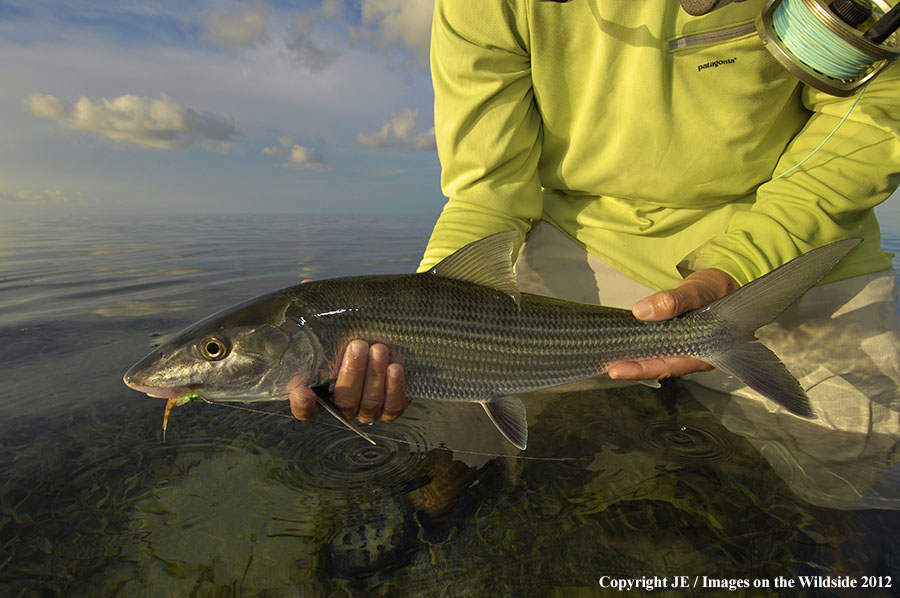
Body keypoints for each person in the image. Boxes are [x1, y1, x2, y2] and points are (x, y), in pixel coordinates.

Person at [290, 0, 900, 432]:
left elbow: (873, 121)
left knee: (847, 452)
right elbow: (488, 191)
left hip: (788, 224)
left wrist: (741, 264)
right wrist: (421, 321)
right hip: (577, 235)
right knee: (459, 435)